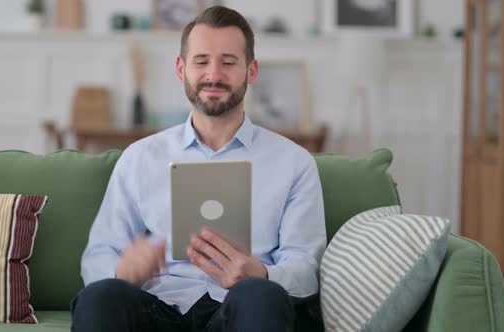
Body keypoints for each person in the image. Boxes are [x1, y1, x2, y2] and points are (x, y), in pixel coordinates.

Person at [71, 5, 326, 332]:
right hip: (157, 307)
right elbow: (97, 256)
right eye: (201, 61)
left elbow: (306, 269)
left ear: (251, 70)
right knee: (101, 295)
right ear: (181, 69)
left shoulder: (294, 163)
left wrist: (262, 274)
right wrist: (124, 270)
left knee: (261, 295)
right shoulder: (139, 158)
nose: (214, 75)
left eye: (229, 62)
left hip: (241, 307)